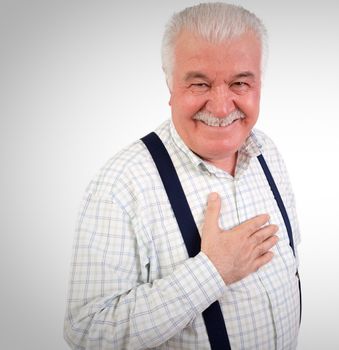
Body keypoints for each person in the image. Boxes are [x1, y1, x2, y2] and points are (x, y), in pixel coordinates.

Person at [64, 3, 301, 349]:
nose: (221, 107)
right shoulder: (121, 186)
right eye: (200, 84)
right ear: (170, 85)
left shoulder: (268, 153)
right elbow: (87, 331)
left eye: (239, 83)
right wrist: (212, 271)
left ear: (259, 84)